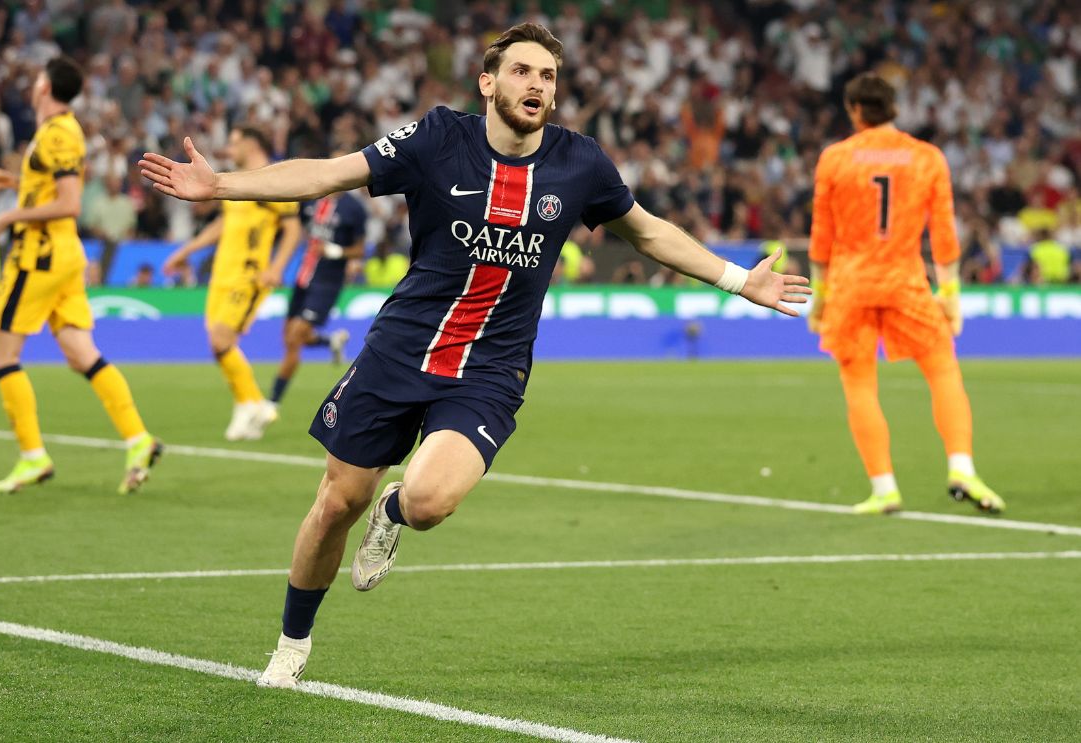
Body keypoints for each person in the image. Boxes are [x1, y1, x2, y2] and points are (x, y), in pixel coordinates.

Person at [141, 23, 809, 688]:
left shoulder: (580, 163)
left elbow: (647, 232)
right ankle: (292, 642)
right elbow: (327, 174)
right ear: (488, 83)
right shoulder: (436, 137)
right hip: (401, 350)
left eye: (547, 76)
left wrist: (737, 277)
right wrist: (221, 184)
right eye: (522, 71)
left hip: (490, 368)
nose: (536, 86)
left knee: (429, 501)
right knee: (335, 503)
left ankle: (395, 512)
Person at [807, 73, 1004, 517]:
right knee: (942, 370)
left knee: (860, 384)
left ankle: (884, 488)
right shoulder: (926, 157)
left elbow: (822, 236)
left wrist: (819, 296)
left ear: (855, 109)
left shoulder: (835, 159)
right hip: (906, 281)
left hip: (851, 283)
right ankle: (962, 467)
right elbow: (945, 232)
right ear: (894, 108)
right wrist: (950, 291)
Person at [0, 56, 162, 495]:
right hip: (64, 256)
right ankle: (138, 440)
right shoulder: (60, 130)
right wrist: (10, 182)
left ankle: (32, 456)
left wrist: (9, 216)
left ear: (44, 85)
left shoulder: (58, 132)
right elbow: (49, 186)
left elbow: (69, 202)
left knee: (1, 357)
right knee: (81, 353)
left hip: (37, 256)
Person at [161, 126, 303, 441]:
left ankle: (251, 403)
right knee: (217, 342)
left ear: (251, 143)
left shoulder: (273, 177)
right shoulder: (236, 178)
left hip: (249, 274)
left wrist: (277, 267)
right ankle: (250, 403)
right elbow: (226, 223)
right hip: (222, 272)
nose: (229, 148)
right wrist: (186, 251)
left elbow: (293, 229)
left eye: (234, 142)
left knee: (221, 340)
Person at [265, 172, 368, 426]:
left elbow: (360, 249)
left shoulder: (354, 209)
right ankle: (330, 341)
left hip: (327, 282)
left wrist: (334, 250)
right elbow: (297, 231)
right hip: (303, 277)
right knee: (289, 337)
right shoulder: (311, 200)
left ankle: (271, 404)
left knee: (294, 338)